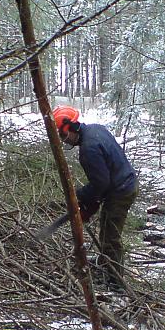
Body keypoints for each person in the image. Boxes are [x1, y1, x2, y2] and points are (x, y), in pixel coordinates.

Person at [52, 105, 138, 291]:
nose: (65, 141)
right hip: (123, 183)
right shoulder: (96, 129)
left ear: (72, 128)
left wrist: (80, 197)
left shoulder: (88, 149)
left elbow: (100, 185)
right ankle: (109, 267)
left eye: (64, 136)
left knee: (110, 237)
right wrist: (89, 204)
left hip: (121, 190)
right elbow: (101, 183)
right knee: (107, 231)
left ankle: (117, 284)